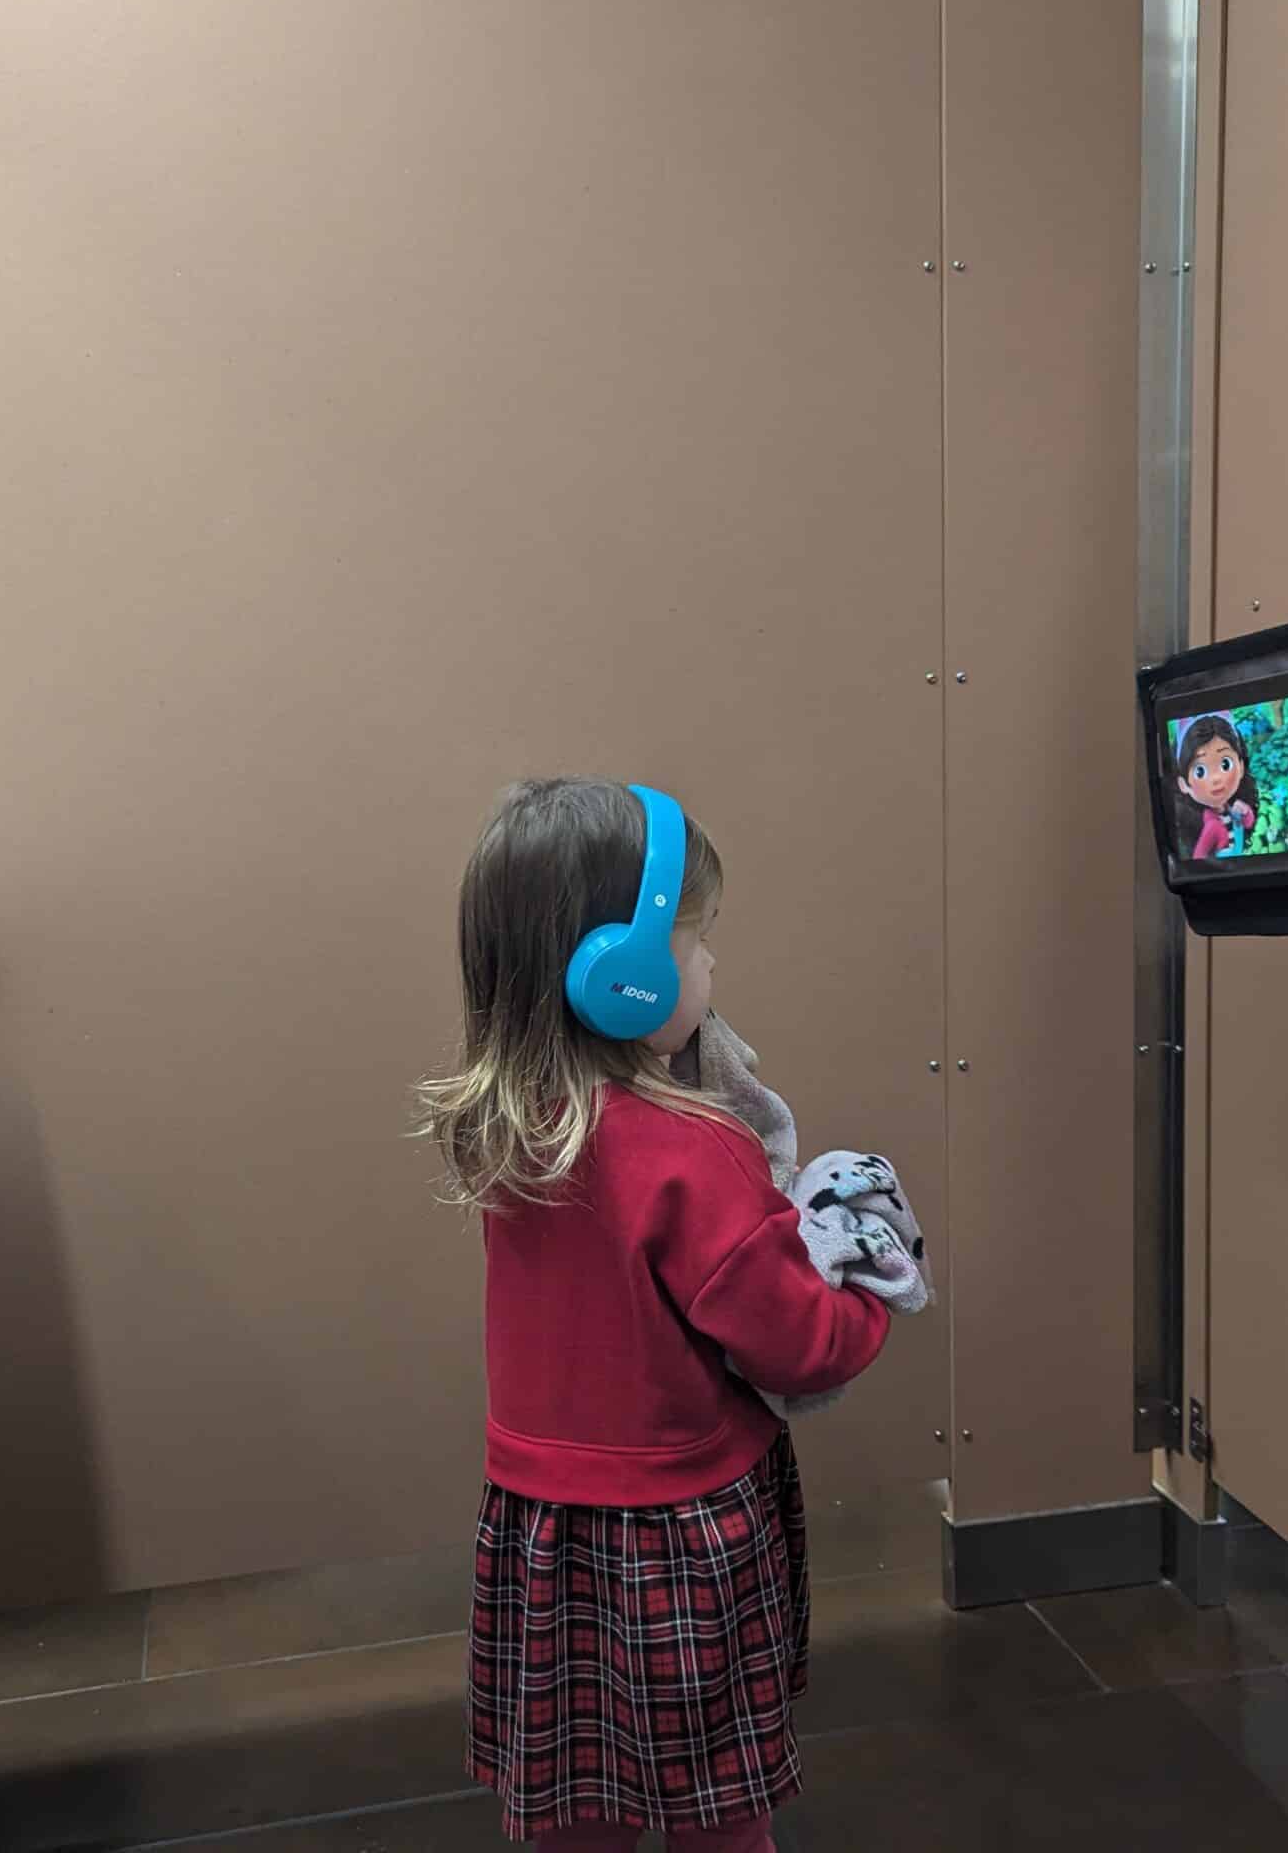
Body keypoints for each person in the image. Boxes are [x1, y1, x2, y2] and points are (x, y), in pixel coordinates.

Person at [418, 777, 893, 1850]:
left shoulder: (513, 1130)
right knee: (716, 1805)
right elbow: (802, 1344)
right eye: (694, 940)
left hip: (542, 1529)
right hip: (683, 1531)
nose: (712, 965)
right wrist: (864, 1281)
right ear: (619, 976)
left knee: (573, 1803)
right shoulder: (694, 1152)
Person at [1172, 713, 1259, 860]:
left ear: (1241, 767)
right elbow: (1198, 861)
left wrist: (1245, 813)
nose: (1216, 778)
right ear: (1183, 784)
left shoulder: (1230, 810)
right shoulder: (1211, 827)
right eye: (1200, 771)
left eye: (1225, 764)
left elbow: (1248, 823)